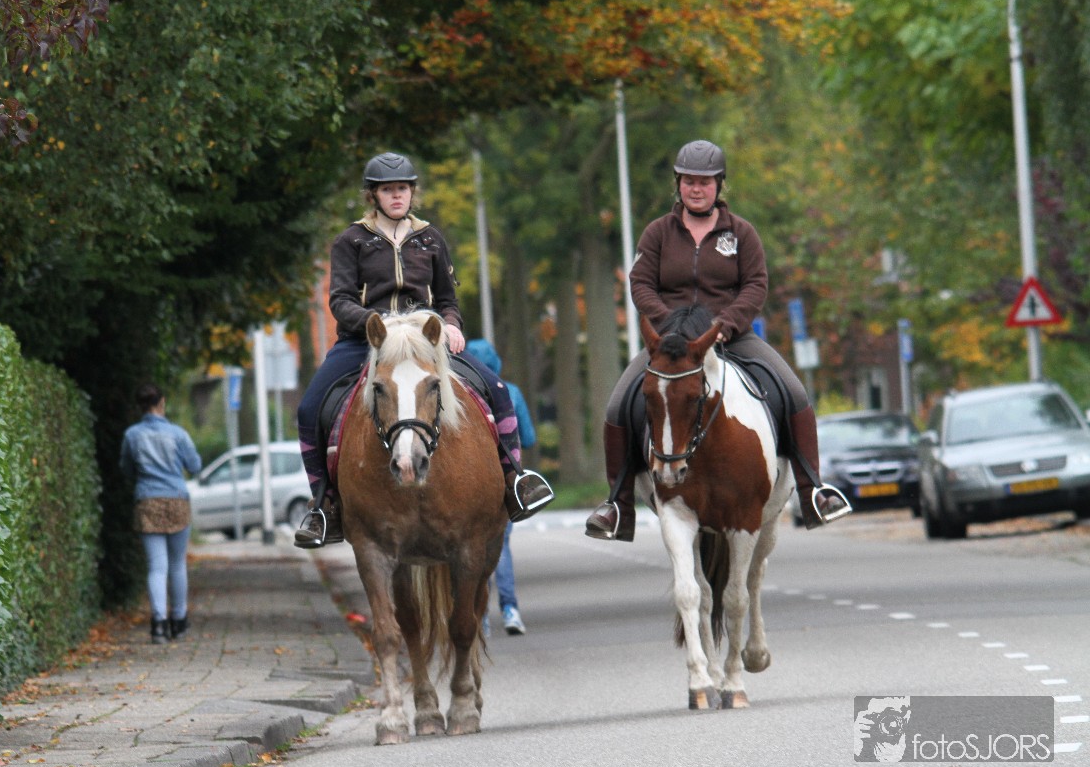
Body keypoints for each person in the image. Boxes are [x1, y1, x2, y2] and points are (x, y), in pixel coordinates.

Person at [585, 139, 850, 542]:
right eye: (689, 181)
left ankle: (813, 490)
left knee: (794, 392)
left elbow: (755, 284)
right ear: (678, 184)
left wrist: (728, 323)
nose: (696, 188)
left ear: (719, 185)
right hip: (671, 344)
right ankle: (618, 504)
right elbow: (641, 284)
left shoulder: (741, 233)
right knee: (618, 403)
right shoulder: (657, 233)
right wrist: (666, 325)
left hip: (731, 337)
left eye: (705, 182)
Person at [293, 151, 554, 548]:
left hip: (425, 341)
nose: (397, 196)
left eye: (403, 188)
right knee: (309, 408)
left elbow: (447, 298)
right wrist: (373, 323)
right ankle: (323, 504)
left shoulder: (431, 238)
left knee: (499, 391)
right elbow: (340, 300)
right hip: (368, 340)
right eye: (388, 190)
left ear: (412, 192)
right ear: (373, 195)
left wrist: (451, 324)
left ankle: (514, 480)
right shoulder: (351, 240)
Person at [119, 384, 203, 644]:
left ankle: (158, 624)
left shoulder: (132, 435)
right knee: (177, 564)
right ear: (162, 402)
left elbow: (126, 469)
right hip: (177, 500)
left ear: (140, 406)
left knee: (156, 566)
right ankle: (179, 620)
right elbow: (195, 466)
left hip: (148, 501)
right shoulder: (178, 434)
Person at [468, 338, 534, 636]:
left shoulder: (458, 390)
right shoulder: (510, 391)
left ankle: (479, 615)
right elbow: (529, 438)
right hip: (502, 477)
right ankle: (510, 610)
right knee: (501, 545)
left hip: (468, 478)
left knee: (468, 548)